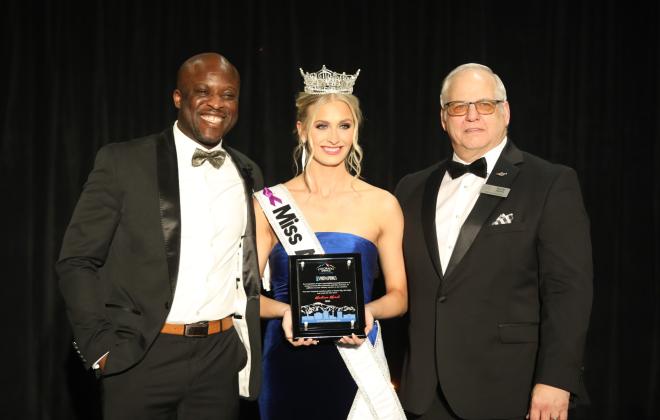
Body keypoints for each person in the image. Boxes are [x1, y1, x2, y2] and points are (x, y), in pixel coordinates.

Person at [56, 52, 262, 420]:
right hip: (141, 356)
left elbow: (246, 271)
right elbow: (77, 261)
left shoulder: (247, 172)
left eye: (228, 95)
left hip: (218, 360)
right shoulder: (124, 162)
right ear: (178, 98)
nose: (217, 103)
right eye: (203, 91)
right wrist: (99, 347)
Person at [395, 63, 593, 420]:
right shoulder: (410, 188)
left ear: (505, 112)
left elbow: (568, 290)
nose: (471, 115)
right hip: (423, 393)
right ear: (443, 118)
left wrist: (557, 380)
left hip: (509, 389)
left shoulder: (549, 182)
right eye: (458, 106)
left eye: (484, 104)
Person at [253, 65, 408, 420]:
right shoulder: (269, 203)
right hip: (287, 361)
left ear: (355, 131)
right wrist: (286, 312)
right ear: (301, 130)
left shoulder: (382, 203)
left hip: (356, 362)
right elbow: (244, 297)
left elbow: (400, 296)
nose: (334, 137)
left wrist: (368, 312)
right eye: (322, 125)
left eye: (345, 125)